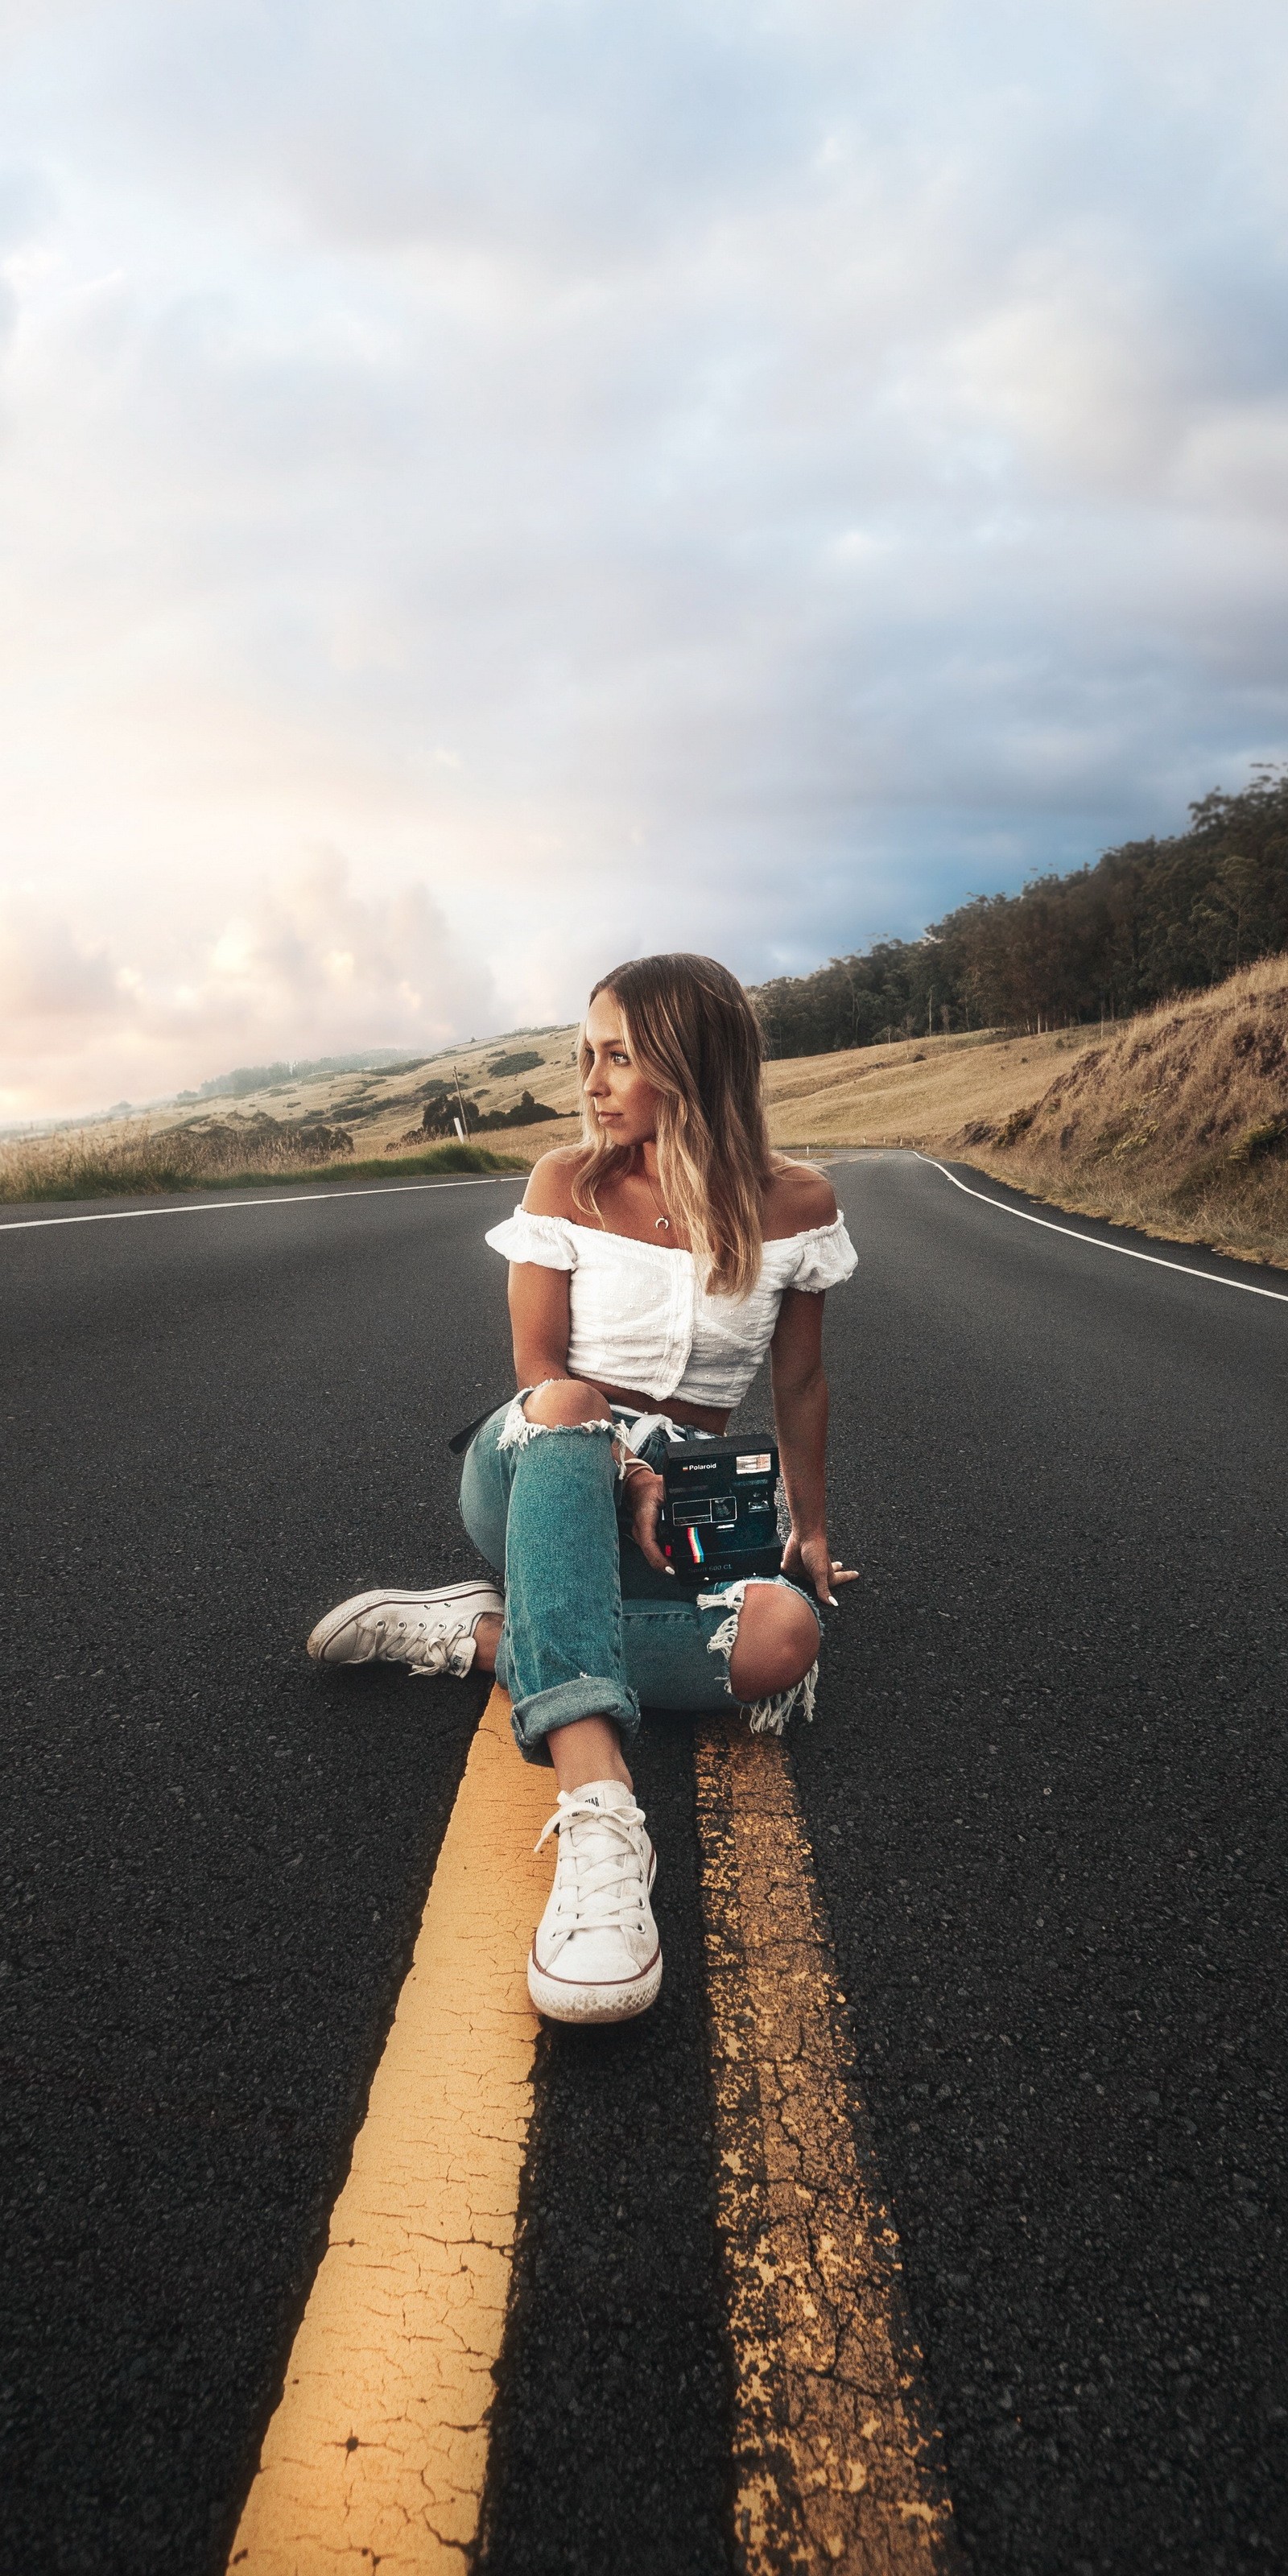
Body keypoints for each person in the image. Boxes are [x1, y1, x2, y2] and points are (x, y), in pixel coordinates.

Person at [307, 953, 857, 2025]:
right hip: (544, 1471)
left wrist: (812, 1527)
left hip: (676, 1512)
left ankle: (485, 1637)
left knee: (788, 1640)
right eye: (584, 1056)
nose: (590, 1083)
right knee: (567, 1404)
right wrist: (633, 1466)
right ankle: (599, 1808)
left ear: (692, 1066)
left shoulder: (799, 1203)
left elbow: (800, 1378)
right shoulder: (569, 1180)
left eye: (617, 1056)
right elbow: (538, 1371)